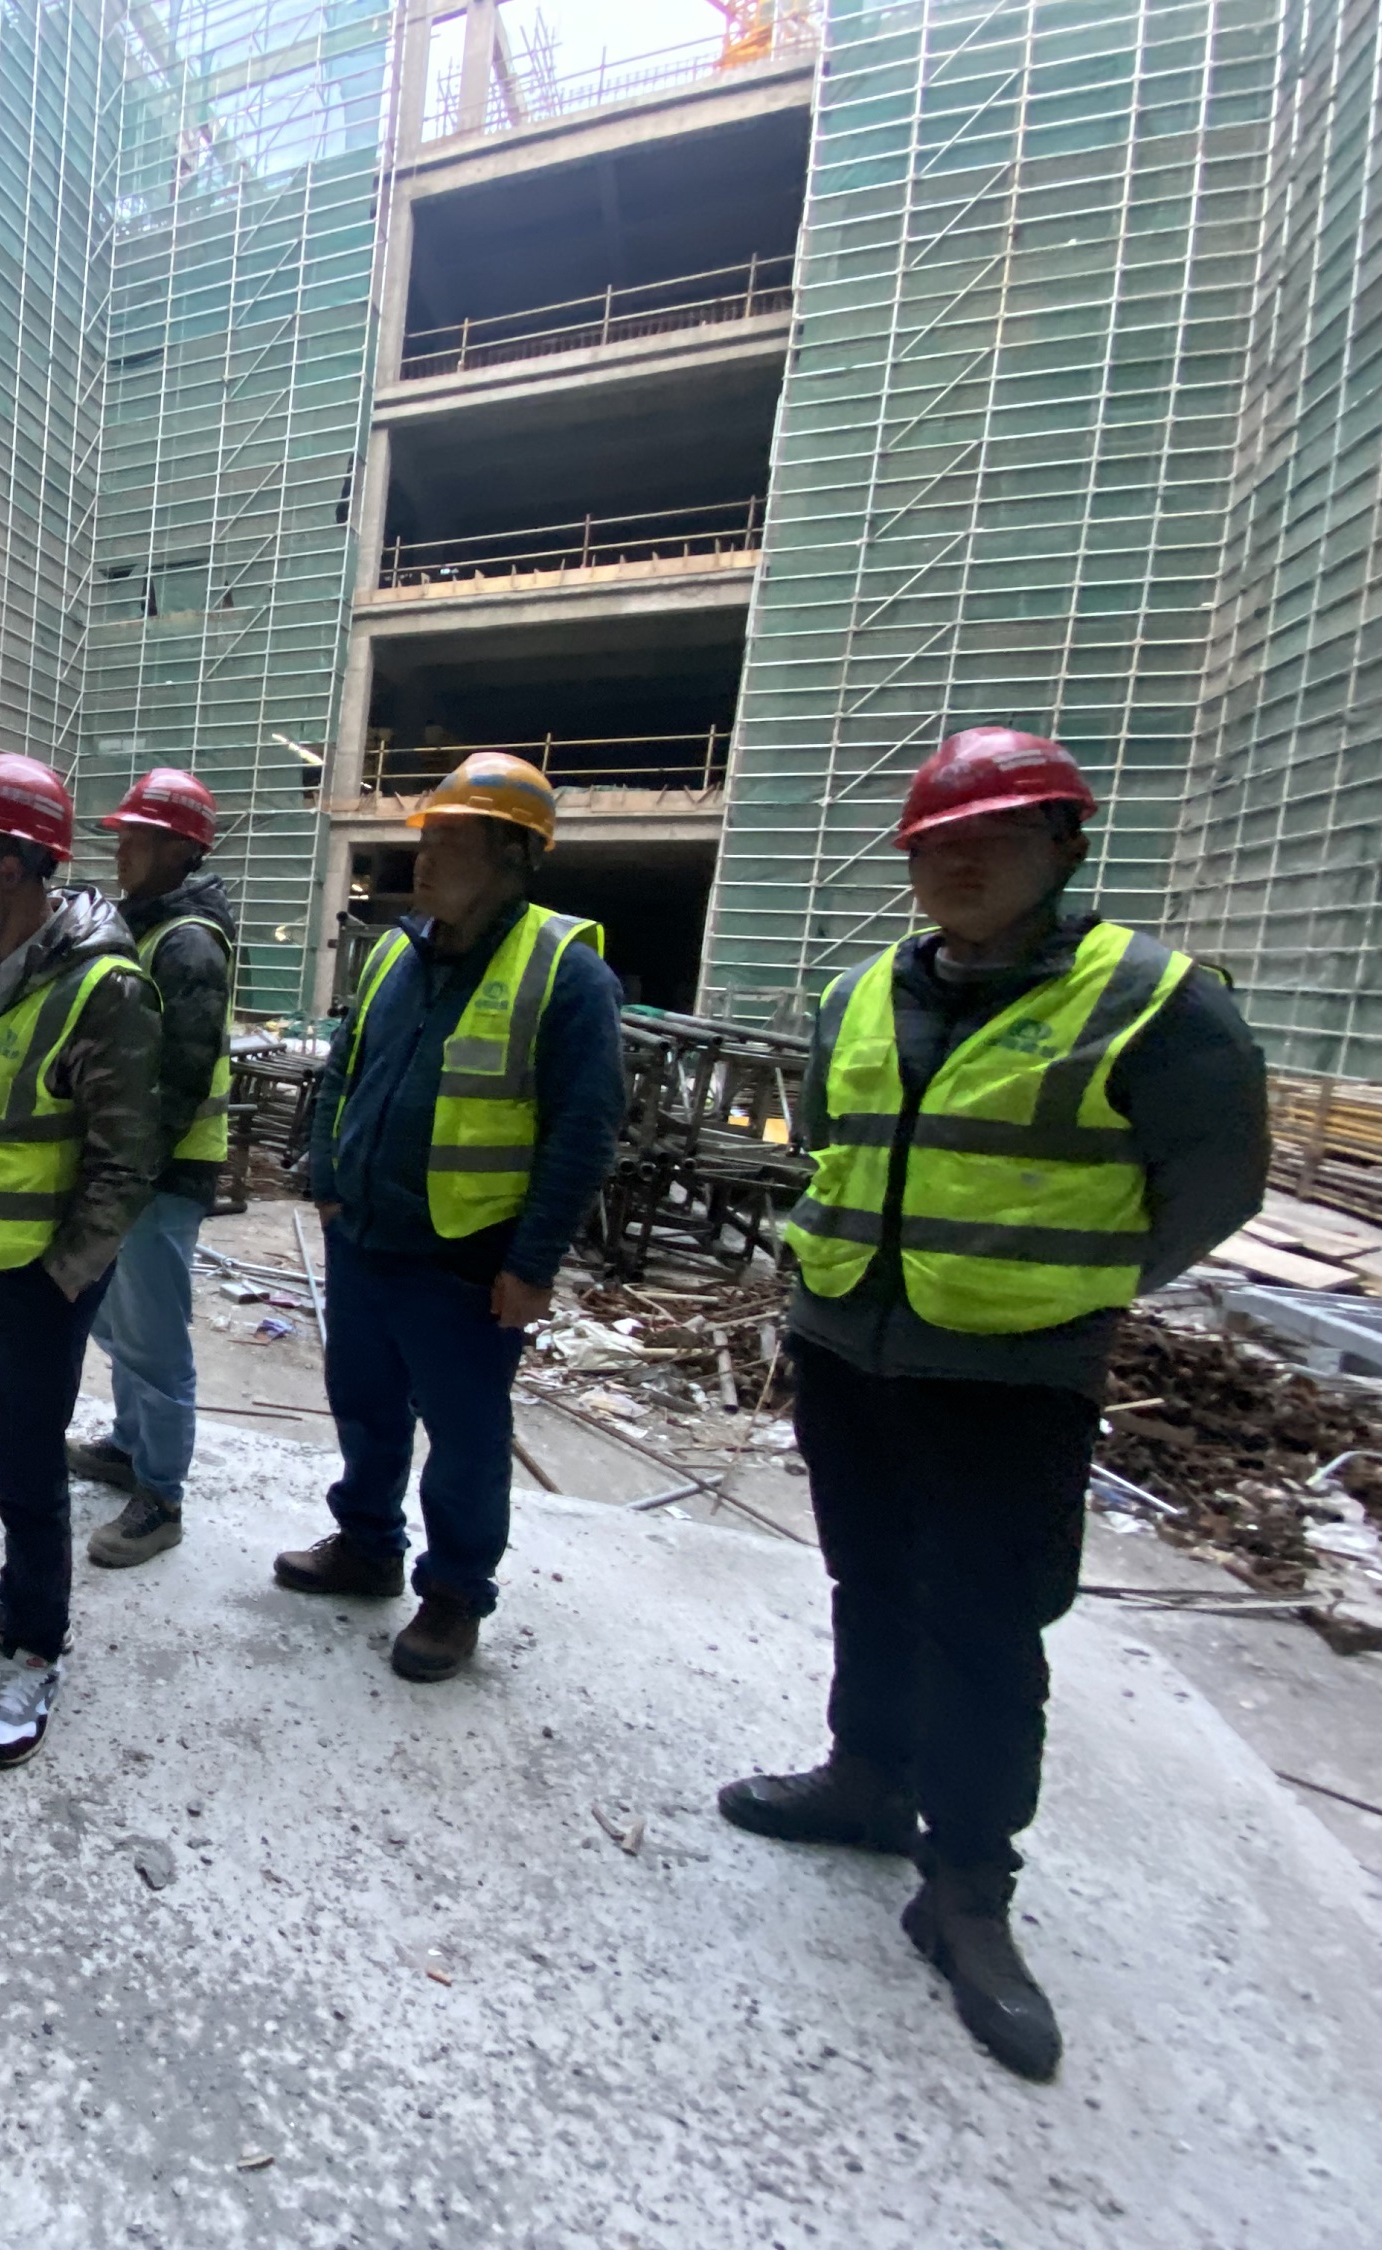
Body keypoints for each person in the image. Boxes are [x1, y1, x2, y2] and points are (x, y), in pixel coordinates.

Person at [721, 727, 1267, 2083]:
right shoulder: (859, 994)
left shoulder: (1153, 1001)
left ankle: (967, 1884)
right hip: (851, 1344)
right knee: (868, 1578)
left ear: (1065, 847)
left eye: (996, 837)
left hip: (1011, 1373)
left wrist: (1068, 1286)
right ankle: (866, 1777)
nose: (960, 863)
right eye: (937, 843)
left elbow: (1215, 1184)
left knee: (984, 1628)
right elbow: (834, 1148)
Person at [280, 750, 622, 1682]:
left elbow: (583, 1132)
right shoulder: (397, 951)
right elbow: (344, 1071)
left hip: (467, 1258)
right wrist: (328, 1179)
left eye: (452, 843)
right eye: (425, 839)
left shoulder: (565, 972)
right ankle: (367, 1546)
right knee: (364, 1405)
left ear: (513, 856)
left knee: (465, 1436)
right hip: (367, 1236)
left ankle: (454, 1595)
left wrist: (533, 1264)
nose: (423, 861)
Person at [0, 754, 163, 1770]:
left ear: (13, 868)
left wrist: (64, 1277)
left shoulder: (104, 991)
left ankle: (39, 1646)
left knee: (27, 1459)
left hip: (45, 1275)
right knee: (6, 1447)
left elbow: (128, 1160)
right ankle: (20, 1596)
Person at [67, 767, 237, 1568]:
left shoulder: (187, 942)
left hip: (162, 1174)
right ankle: (131, 1446)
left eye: (137, 837)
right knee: (117, 1320)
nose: (121, 850)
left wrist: (131, 1170)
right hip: (129, 1168)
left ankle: (161, 1497)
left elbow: (182, 1074)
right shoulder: (145, 928)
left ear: (180, 850)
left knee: (154, 1335)